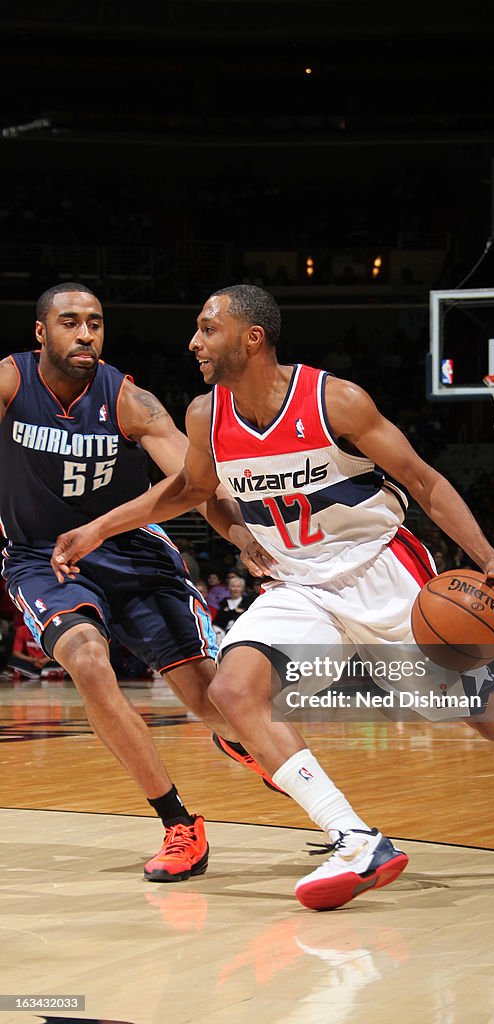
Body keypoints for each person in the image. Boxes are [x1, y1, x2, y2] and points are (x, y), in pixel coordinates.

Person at [51, 284, 494, 909]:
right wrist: (103, 527)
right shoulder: (205, 416)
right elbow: (191, 490)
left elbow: (425, 484)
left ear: (251, 338)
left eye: (208, 329)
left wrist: (489, 559)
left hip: (381, 574)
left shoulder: (334, 401)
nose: (193, 342)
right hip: (299, 584)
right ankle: (354, 838)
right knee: (232, 690)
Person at [0, 281, 279, 884]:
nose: (86, 334)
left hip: (132, 553)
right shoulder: (10, 383)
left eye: (95, 323)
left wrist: (243, 537)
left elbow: (195, 479)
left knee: (213, 703)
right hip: (44, 558)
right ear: (41, 333)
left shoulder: (129, 400)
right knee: (86, 659)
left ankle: (237, 741)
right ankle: (180, 823)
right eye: (70, 322)